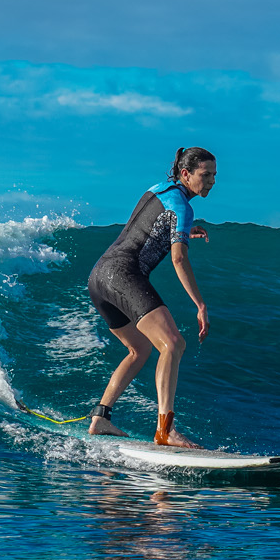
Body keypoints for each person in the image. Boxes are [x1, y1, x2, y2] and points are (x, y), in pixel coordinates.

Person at [85, 147, 216, 446]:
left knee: (139, 350)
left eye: (214, 176)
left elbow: (145, 224)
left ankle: (101, 417)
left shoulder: (159, 188)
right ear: (186, 174)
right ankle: (166, 430)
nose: (210, 182)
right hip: (124, 274)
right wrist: (200, 304)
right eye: (205, 175)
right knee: (173, 343)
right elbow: (179, 260)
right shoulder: (183, 207)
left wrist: (180, 231)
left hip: (100, 276)